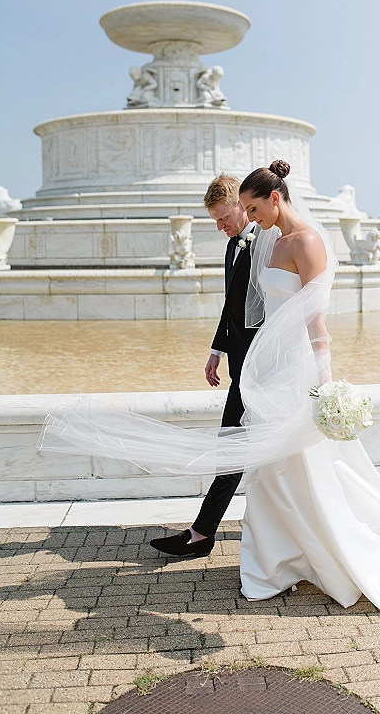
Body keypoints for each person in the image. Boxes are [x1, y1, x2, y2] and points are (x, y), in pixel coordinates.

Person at [38, 160, 380, 616]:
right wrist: (227, 352)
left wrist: (325, 386)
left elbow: (317, 324)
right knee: (269, 467)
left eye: (249, 208)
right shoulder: (266, 240)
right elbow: (246, 307)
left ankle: (296, 554)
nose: (245, 217)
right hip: (264, 369)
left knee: (296, 465)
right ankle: (273, 560)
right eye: (240, 209)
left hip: (296, 371)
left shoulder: (306, 242)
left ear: (274, 199)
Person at [150, 174, 258, 558]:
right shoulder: (233, 246)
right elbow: (232, 306)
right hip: (240, 366)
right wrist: (218, 349)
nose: (219, 226)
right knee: (235, 446)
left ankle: (202, 533)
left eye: (222, 216)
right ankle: (208, 531)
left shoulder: (264, 243)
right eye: (213, 220)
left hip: (259, 370)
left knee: (232, 446)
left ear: (241, 204)